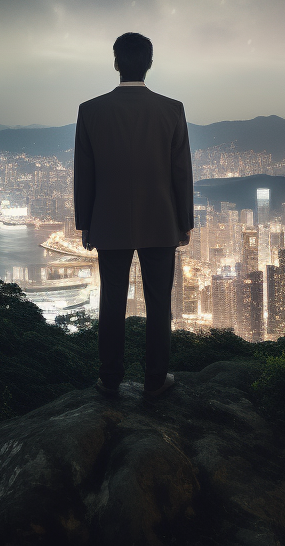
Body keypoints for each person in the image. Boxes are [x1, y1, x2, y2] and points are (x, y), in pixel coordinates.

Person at [74, 32, 193, 398]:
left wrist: (85, 223)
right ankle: (156, 380)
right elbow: (180, 172)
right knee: (160, 303)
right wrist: (184, 222)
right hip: (160, 221)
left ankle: (109, 379)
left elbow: (85, 172)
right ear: (150, 62)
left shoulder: (90, 110)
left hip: (108, 223)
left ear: (115, 62)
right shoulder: (171, 109)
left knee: (112, 302)